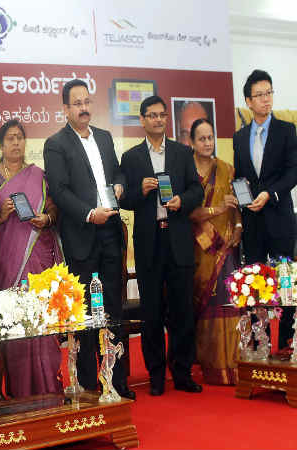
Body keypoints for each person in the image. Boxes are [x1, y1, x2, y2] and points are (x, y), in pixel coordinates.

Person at [43, 79, 135, 399]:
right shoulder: (56, 144)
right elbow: (59, 190)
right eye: (77, 103)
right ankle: (89, 386)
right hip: (82, 237)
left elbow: (118, 173)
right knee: (85, 314)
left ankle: (118, 382)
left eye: (87, 102)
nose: (84, 108)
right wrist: (88, 213)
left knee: (113, 310)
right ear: (66, 109)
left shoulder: (105, 138)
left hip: (110, 233)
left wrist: (120, 186)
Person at [120, 95, 204, 396]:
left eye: (162, 115)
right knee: (152, 313)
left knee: (182, 310)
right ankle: (156, 375)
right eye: (152, 115)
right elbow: (124, 200)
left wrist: (183, 200)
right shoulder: (130, 158)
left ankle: (182, 372)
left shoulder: (182, 152)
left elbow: (197, 190)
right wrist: (139, 191)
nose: (158, 120)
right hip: (149, 242)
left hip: (177, 238)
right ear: (142, 120)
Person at [0, 119, 64, 398]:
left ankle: (48, 387)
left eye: (19, 137)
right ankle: (20, 391)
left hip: (38, 259)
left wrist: (46, 219)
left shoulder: (38, 175)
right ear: (1, 145)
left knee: (40, 319)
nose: (16, 142)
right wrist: (0, 216)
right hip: (6, 262)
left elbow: (54, 209)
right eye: (10, 138)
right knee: (16, 321)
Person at [233, 70, 297, 350]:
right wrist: (243, 196)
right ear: (248, 101)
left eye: (269, 93)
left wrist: (270, 194)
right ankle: (261, 343)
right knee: (255, 283)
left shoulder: (287, 130)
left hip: (280, 217)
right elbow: (239, 176)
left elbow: (293, 172)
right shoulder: (239, 137)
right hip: (253, 221)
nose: (266, 99)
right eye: (259, 95)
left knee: (285, 282)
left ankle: (286, 343)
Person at [189, 118, 242, 385]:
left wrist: (239, 226)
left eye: (210, 137)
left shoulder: (226, 169)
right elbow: (188, 212)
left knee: (226, 301)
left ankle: (230, 364)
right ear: (192, 142)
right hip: (198, 249)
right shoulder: (186, 171)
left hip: (225, 249)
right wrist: (217, 209)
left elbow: (237, 206)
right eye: (202, 138)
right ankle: (207, 364)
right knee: (205, 306)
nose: (208, 143)